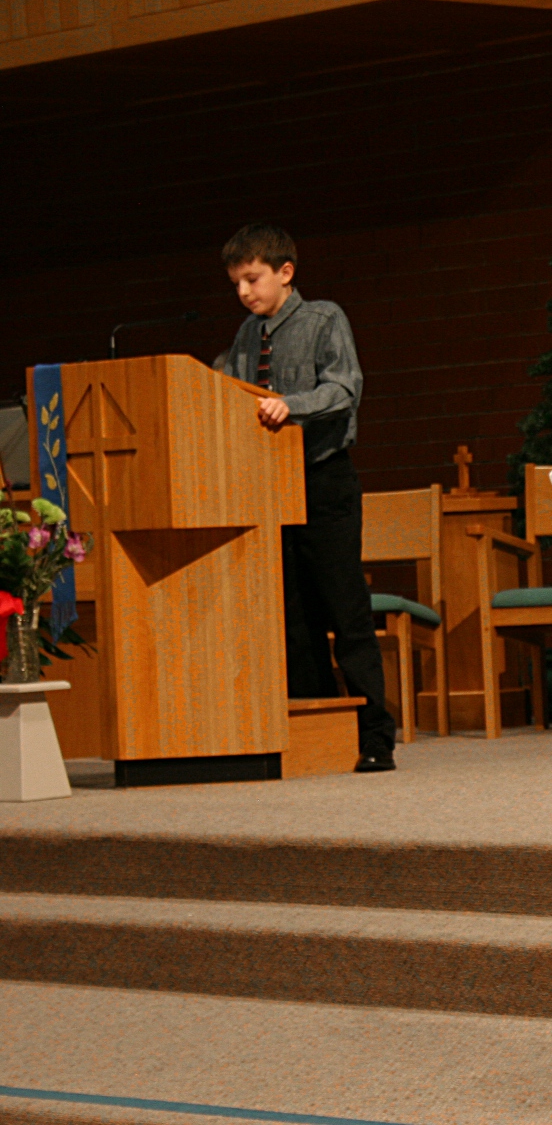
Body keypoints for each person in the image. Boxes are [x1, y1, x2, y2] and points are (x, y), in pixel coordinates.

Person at [212, 223, 397, 773]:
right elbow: (226, 387)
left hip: (323, 480)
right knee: (292, 616)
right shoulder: (247, 336)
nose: (244, 292)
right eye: (237, 283)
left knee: (345, 609)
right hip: (271, 489)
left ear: (285, 272)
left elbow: (343, 388)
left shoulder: (324, 319)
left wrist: (289, 404)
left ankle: (375, 735)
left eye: (253, 278)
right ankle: (322, 733)